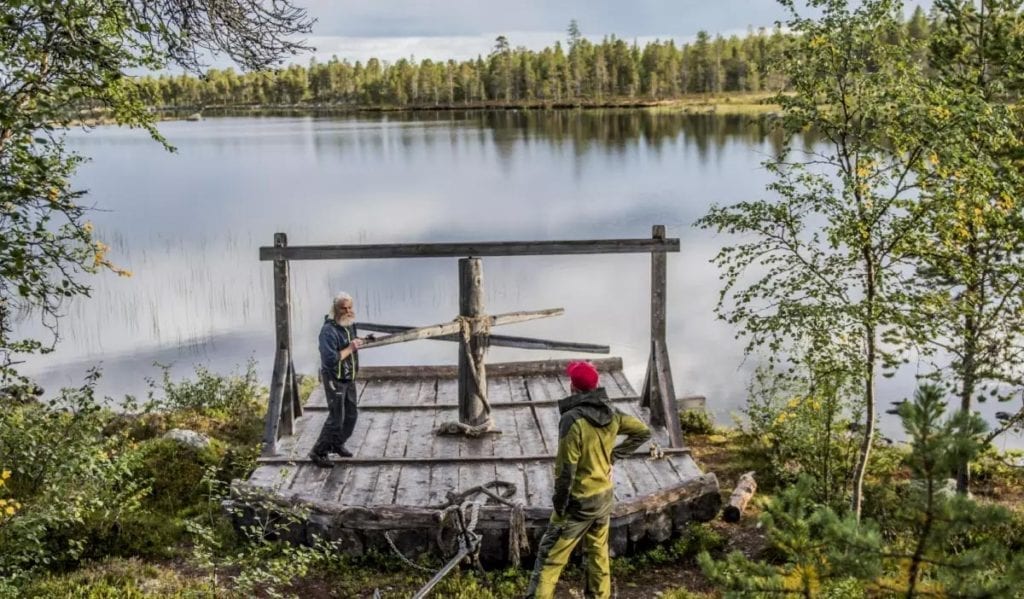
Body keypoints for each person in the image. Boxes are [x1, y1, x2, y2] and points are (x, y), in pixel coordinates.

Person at [526, 361, 651, 599]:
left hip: (578, 503)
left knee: (549, 560)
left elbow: (565, 470)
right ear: (597, 385)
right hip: (603, 499)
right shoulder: (612, 413)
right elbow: (643, 432)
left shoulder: (572, 420)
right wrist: (613, 456)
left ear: (572, 387)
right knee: (598, 555)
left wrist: (560, 506)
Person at [309, 292, 366, 468]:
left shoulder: (349, 325)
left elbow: (350, 344)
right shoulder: (328, 331)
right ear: (335, 309)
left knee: (351, 415)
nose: (347, 311)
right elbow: (330, 359)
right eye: (343, 308)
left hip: (349, 377)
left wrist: (360, 341)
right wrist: (351, 348)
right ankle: (318, 452)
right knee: (336, 418)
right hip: (334, 378)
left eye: (350, 307)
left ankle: (337, 443)